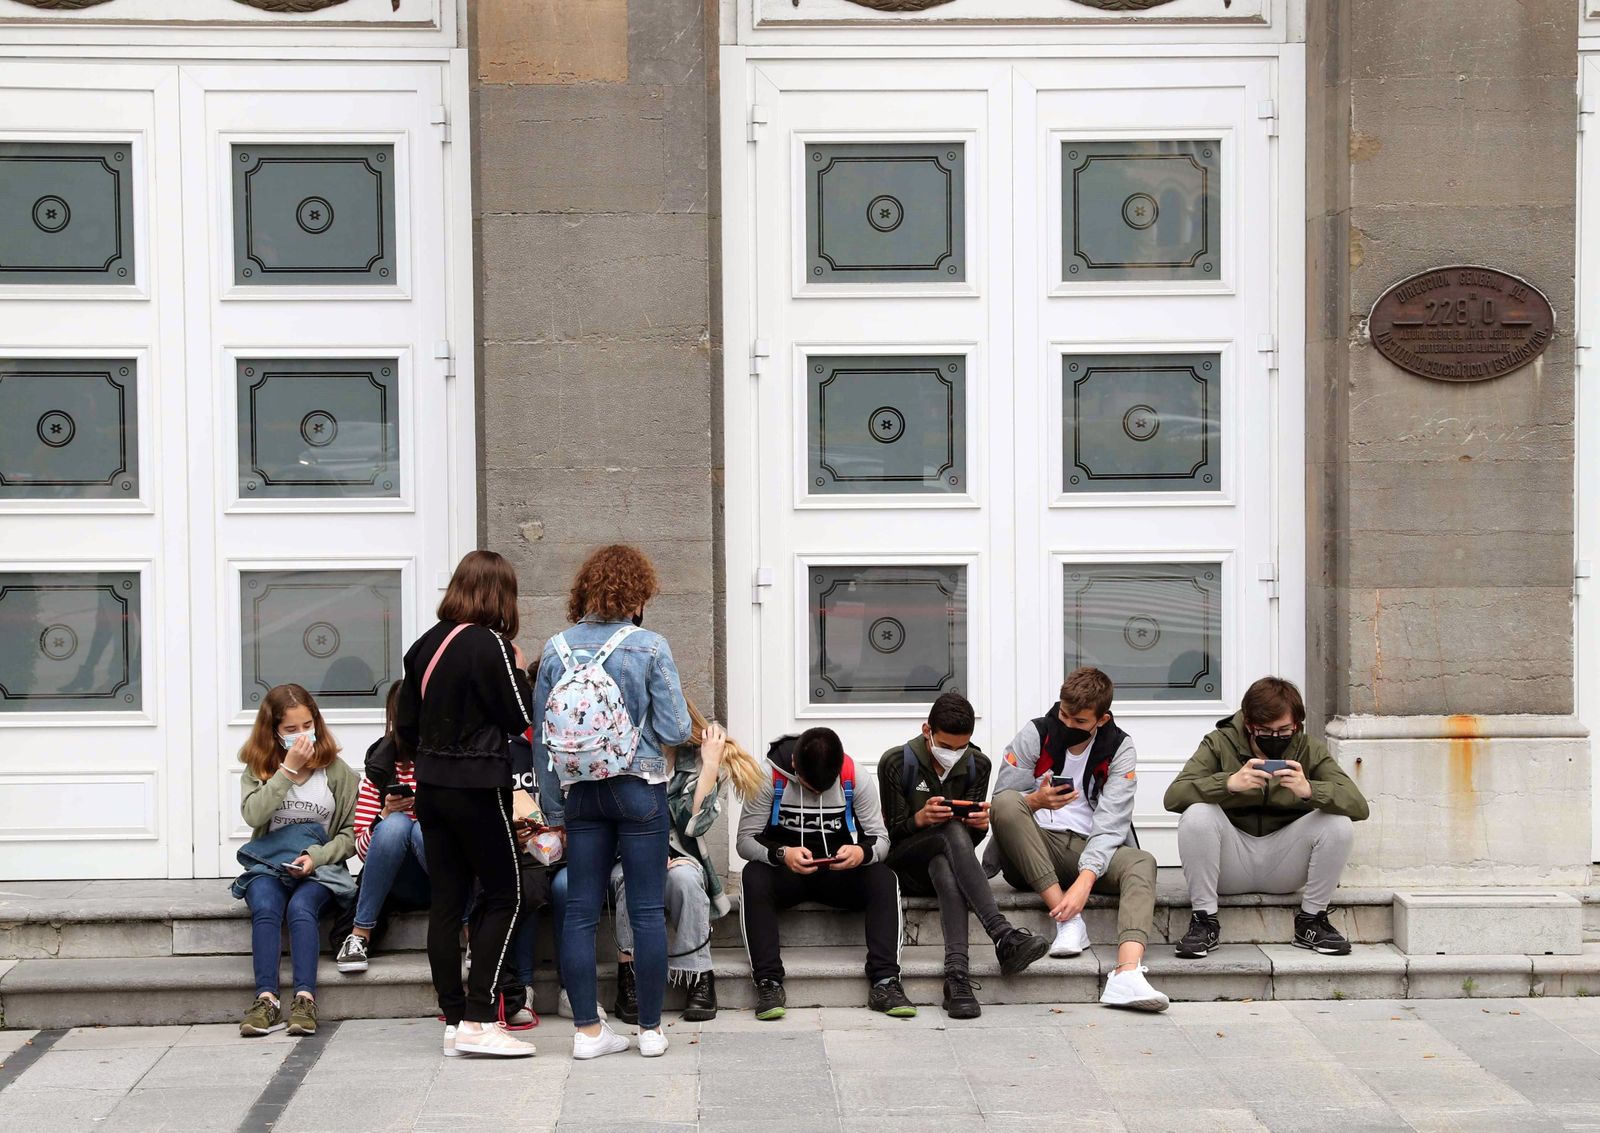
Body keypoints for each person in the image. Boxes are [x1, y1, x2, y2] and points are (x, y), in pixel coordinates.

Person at [534, 544, 692, 1061]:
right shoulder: (649, 646)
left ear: (584, 590)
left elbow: (543, 743)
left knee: (580, 912)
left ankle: (586, 1033)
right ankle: (649, 1030)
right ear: (638, 593)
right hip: (638, 787)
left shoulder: (555, 649)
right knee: (646, 910)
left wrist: (554, 814)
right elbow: (676, 728)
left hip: (581, 794)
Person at [396, 550, 537, 1058]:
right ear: (500, 594)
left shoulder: (424, 645)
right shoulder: (491, 645)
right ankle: (480, 1017)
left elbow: (405, 727)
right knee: (507, 894)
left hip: (431, 788)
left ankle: (455, 1018)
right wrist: (519, 669)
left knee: (447, 905)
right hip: (478, 788)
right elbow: (519, 716)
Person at [985, 667, 1168, 1012]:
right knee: (1009, 803)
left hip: (1088, 847)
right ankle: (1067, 922)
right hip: (1032, 848)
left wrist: (1086, 880)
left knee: (1142, 861)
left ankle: (1126, 975)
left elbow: (1113, 823)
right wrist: (1036, 801)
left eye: (1080, 720)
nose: (1068, 724)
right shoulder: (1036, 733)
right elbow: (1000, 802)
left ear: (1102, 719)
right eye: (1064, 714)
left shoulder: (1119, 747)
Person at [1164, 676, 1370, 959]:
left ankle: (1311, 921)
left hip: (1284, 864)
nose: (1276, 737)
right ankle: (1204, 921)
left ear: (1296, 725)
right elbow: (1173, 797)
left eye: (1284, 730)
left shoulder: (1307, 748)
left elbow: (1359, 806)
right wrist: (1228, 784)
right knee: (1198, 813)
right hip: (1229, 865)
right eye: (1265, 730)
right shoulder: (1219, 743)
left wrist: (1311, 790)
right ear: (1249, 723)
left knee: (1338, 822)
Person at [878, 692, 1050, 1019]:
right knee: (948, 832)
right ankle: (1002, 934)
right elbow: (889, 837)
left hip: (945, 867)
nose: (954, 754)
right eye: (946, 745)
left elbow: (967, 844)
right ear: (927, 730)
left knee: (946, 860)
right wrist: (920, 820)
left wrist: (981, 826)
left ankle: (957, 977)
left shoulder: (977, 764)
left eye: (962, 747)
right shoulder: (897, 762)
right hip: (904, 866)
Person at [737, 726, 915, 1022]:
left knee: (884, 877)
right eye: (809, 787)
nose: (817, 793)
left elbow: (881, 840)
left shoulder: (854, 776)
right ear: (794, 763)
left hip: (838, 873)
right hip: (787, 873)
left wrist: (862, 853)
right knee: (753, 875)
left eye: (824, 788)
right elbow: (745, 840)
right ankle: (768, 982)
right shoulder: (769, 776)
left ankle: (886, 982)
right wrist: (782, 853)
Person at [610, 700, 763, 1024]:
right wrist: (647, 856)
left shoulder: (692, 762)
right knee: (630, 880)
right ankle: (629, 976)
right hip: (627, 854)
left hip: (680, 857)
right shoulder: (622, 758)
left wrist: (709, 765)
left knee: (687, 880)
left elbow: (693, 826)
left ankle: (700, 977)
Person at [234, 684, 358, 1038]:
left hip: (317, 869)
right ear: (273, 731)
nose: (302, 735)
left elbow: (349, 835)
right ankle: (266, 999)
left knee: (302, 909)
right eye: (291, 729)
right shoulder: (258, 767)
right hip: (269, 865)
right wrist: (286, 772)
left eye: (307, 725)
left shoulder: (336, 772)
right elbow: (254, 815)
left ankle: (304, 999)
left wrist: (314, 857)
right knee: (267, 905)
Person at [336, 683, 429, 974]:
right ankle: (359, 935)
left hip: (441, 873)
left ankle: (469, 930)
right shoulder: (381, 766)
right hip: (395, 880)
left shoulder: (447, 762)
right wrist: (385, 812)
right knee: (397, 824)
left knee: (419, 829)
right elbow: (362, 850)